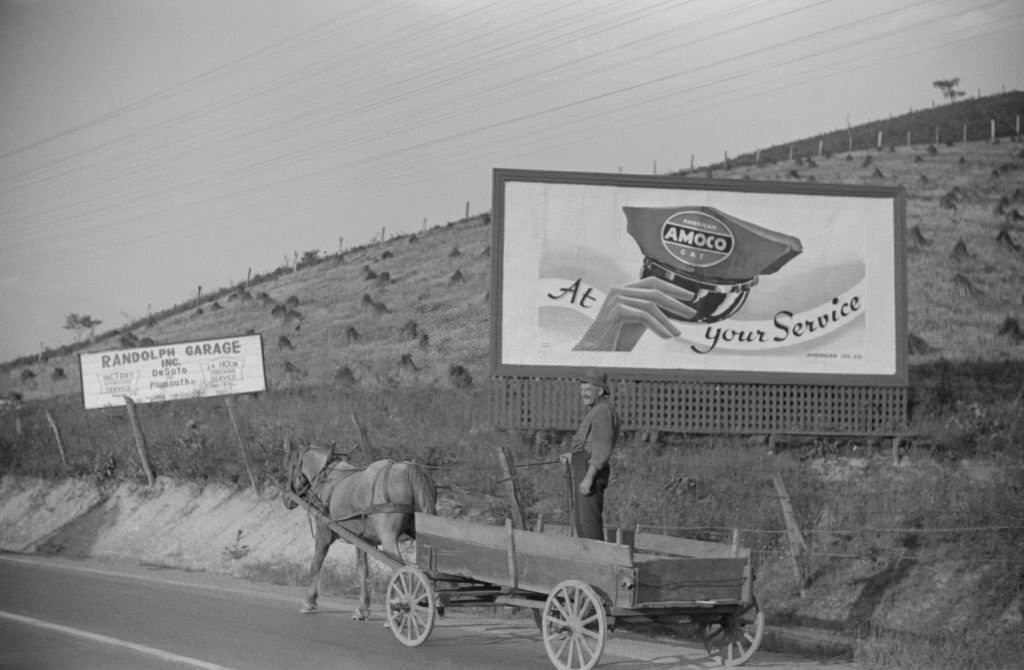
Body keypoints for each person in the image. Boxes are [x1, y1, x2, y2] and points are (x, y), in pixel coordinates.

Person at [560, 370, 620, 540]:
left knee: (589, 524)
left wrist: (589, 478)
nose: (583, 394)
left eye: (588, 390)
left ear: (600, 391)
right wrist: (573, 455)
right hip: (583, 466)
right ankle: (589, 562)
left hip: (590, 471)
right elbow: (591, 443)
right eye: (582, 390)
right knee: (581, 522)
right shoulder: (597, 410)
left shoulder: (603, 411)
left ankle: (598, 563)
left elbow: (601, 448)